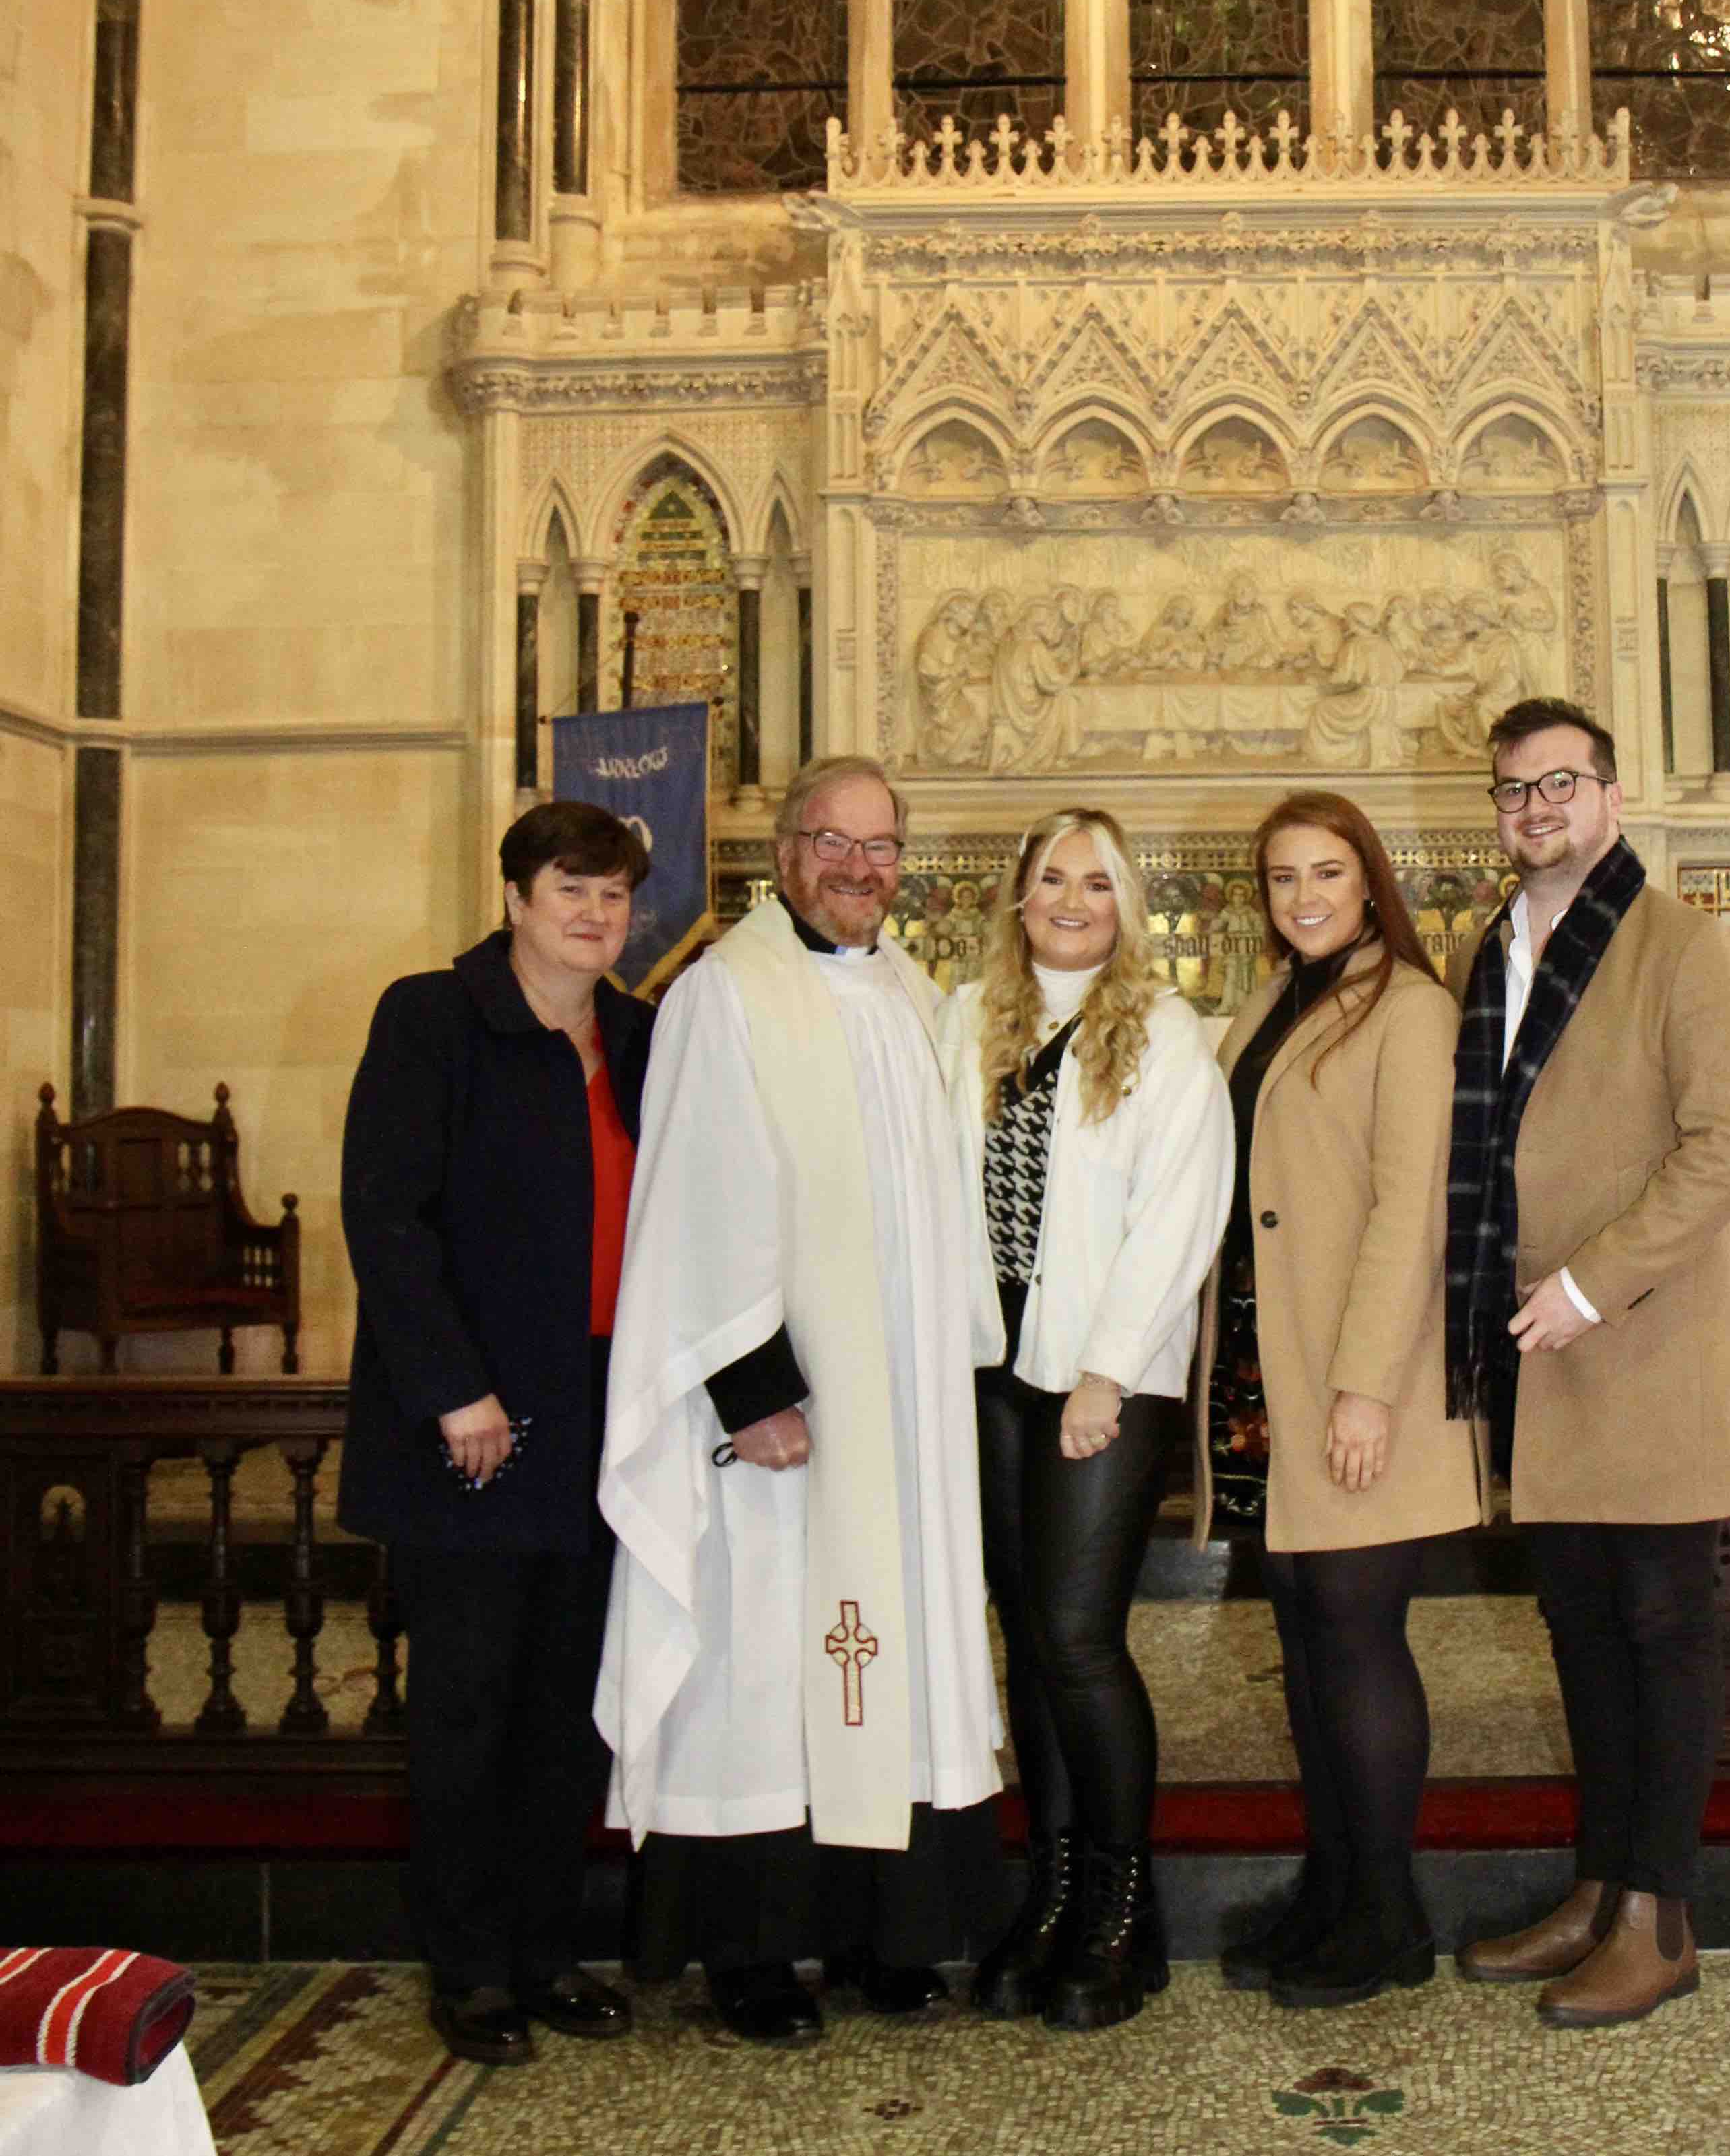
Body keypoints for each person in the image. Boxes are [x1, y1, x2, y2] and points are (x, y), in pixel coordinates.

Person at [594, 756, 1002, 2050]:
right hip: (786, 1419)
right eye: (833, 843)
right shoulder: (725, 995)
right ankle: (754, 1953)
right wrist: (752, 1390)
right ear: (782, 855)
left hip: (898, 1418)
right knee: (769, 1662)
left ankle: (884, 1931)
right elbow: (698, 1205)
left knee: (883, 1659)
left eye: (882, 847)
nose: (859, 868)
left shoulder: (910, 991)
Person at [1446, 697, 1730, 2027]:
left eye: (1560, 785)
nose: (1537, 811)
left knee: (1661, 1633)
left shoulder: (1683, 946)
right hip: (1535, 1349)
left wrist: (1591, 1280)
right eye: (1515, 792)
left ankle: (1660, 1915)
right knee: (1579, 1633)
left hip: (1640, 1341)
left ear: (1611, 797)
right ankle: (1597, 1888)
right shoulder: (1491, 953)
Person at [338, 800, 656, 2066]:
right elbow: (388, 1214)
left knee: (568, 1708)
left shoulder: (635, 1034)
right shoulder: (435, 1017)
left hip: (598, 1411)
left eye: (615, 895)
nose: (594, 913)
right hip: (474, 1418)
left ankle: (543, 1945)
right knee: (469, 1704)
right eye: (569, 888)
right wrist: (451, 1388)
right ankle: (468, 1965)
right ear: (517, 896)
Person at [942, 811, 1232, 2033]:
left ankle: (1124, 1909)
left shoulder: (1162, 1035)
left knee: (1079, 1636)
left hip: (1103, 1374)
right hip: (989, 1365)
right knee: (1025, 1632)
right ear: (1019, 895)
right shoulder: (965, 1019)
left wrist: (1109, 1373)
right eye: (1052, 877)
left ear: (1128, 903)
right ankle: (1052, 1895)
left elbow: (1182, 1213)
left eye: (1096, 881)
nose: (1071, 897)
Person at [1200, 792, 1472, 2011]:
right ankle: (1333, 1888)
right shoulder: (1274, 1002)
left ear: (1372, 882)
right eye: (1280, 878)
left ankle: (1389, 1914)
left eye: (1326, 873)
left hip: (1366, 1377)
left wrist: (1365, 1389)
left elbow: (1410, 1211)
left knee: (1358, 1632)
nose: (1302, 897)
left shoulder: (1412, 1012)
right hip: (1273, 1363)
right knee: (1303, 1632)